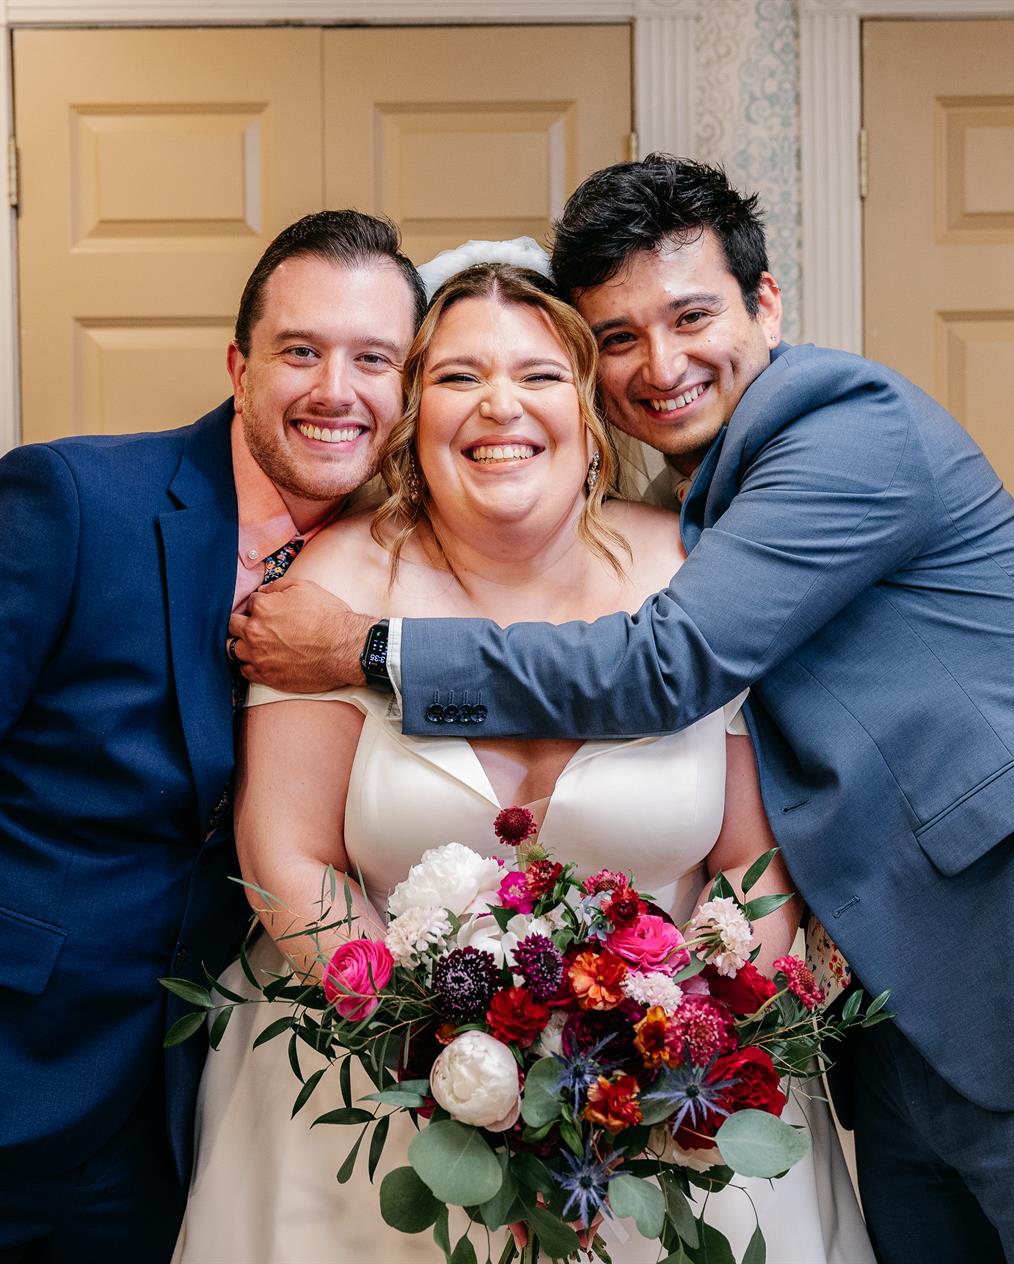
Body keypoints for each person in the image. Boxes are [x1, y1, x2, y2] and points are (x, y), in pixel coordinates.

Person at [233, 157, 1014, 1263]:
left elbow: (667, 664)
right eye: (619, 336)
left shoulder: (848, 430)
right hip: (895, 1018)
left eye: (692, 315)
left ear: (766, 304)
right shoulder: (692, 500)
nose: (662, 365)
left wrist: (373, 649)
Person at [174, 259, 876, 1264]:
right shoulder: (336, 582)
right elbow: (285, 854)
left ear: (591, 415)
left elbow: (754, 873)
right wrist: (437, 1065)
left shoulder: (691, 574)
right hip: (374, 1105)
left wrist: (685, 1061)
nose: (499, 405)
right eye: (458, 377)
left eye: (541, 376)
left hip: (666, 1111)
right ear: (413, 415)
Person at [0, 210, 424, 1261]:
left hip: (175, 1122)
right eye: (300, 351)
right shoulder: (73, 499)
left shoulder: (406, 569)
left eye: (373, 358)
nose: (335, 390)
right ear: (239, 367)